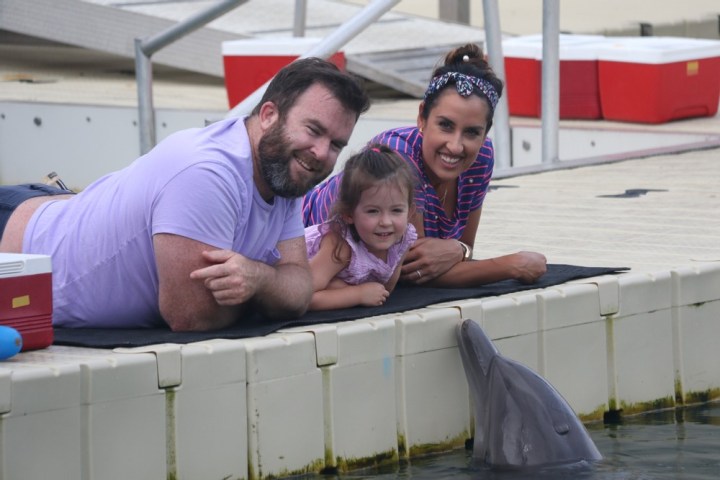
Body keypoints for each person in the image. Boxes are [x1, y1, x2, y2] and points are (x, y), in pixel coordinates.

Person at [0, 57, 370, 331]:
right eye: (313, 130)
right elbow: (193, 315)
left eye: (336, 144)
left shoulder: (284, 173)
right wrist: (270, 291)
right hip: (15, 246)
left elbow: (300, 289)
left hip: (51, 210)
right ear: (270, 114)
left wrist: (258, 279)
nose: (322, 153)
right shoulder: (208, 173)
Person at [303, 44, 546, 288]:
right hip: (301, 243)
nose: (455, 146)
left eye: (472, 132)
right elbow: (413, 268)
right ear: (422, 117)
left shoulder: (481, 158)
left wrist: (459, 249)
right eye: (445, 126)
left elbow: (463, 249)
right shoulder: (399, 156)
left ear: (485, 135)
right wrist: (510, 265)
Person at [305, 144, 418, 311]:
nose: (386, 222)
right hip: (289, 270)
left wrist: (344, 288)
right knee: (333, 285)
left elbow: (384, 289)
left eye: (396, 210)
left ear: (410, 212)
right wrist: (356, 294)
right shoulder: (341, 246)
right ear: (348, 214)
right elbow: (300, 298)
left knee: (336, 285)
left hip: (321, 279)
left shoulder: (403, 239)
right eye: (373, 211)